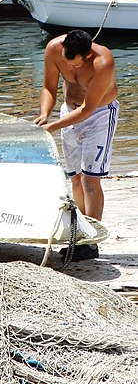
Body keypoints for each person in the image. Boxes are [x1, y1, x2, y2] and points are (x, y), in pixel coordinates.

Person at [34, 29, 119, 260]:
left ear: (87, 56)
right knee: (76, 179)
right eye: (65, 62)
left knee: (91, 180)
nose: (68, 68)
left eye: (74, 65)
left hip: (99, 115)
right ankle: (80, 235)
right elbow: (48, 87)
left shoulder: (103, 61)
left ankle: (91, 242)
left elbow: (88, 108)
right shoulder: (54, 48)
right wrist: (45, 115)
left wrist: (53, 127)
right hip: (68, 113)